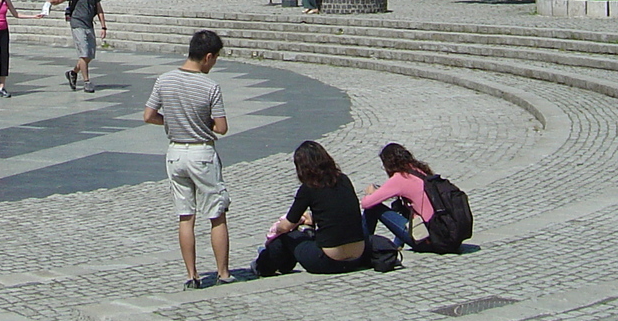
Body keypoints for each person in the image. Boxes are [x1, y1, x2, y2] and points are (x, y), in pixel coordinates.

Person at [144, 29, 232, 289]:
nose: (214, 63)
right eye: (215, 58)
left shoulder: (164, 80)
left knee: (186, 216)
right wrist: (202, 124)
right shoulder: (209, 86)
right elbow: (222, 127)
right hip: (201, 153)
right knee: (216, 214)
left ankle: (192, 275)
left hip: (175, 153)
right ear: (207, 57)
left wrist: (171, 122)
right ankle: (223, 272)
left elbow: (148, 115)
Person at [252, 141, 369, 275]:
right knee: (304, 237)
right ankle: (281, 264)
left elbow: (286, 225)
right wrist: (312, 220)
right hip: (357, 257)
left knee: (286, 238)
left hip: (329, 260)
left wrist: (276, 228)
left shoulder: (309, 187)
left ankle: (262, 267)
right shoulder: (343, 179)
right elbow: (338, 214)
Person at [360, 142, 436, 248]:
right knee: (405, 207)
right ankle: (397, 245)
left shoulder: (400, 178)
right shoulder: (419, 171)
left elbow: (366, 203)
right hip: (439, 234)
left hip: (425, 239)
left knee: (374, 207)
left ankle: (363, 246)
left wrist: (371, 193)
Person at [49, 0, 107, 92]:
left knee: (89, 55)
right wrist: (50, 3)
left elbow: (99, 9)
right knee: (84, 53)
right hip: (77, 24)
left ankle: (73, 72)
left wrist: (103, 26)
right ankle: (87, 82)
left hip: (89, 24)